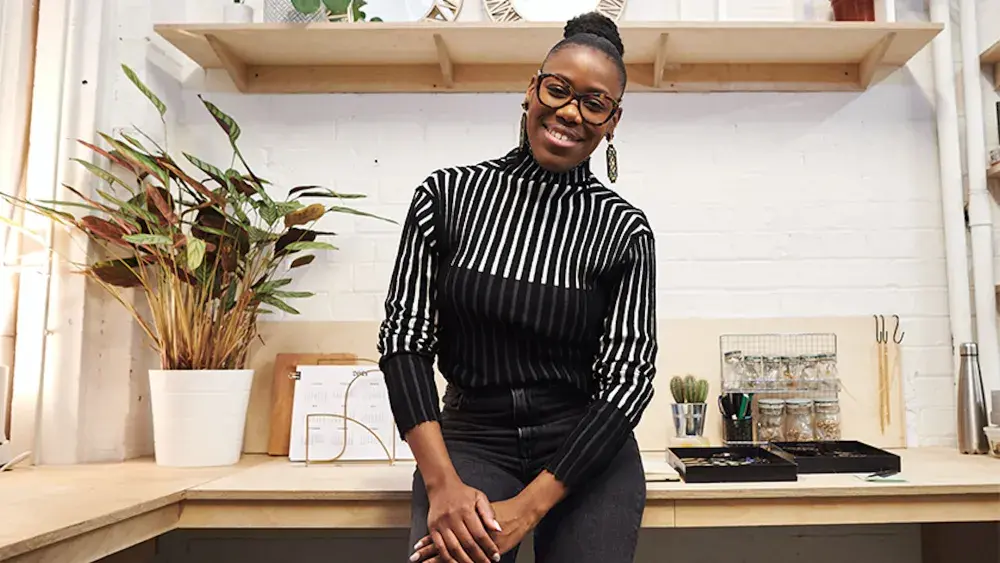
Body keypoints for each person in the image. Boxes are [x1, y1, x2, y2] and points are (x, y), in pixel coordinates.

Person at [377, 11, 657, 563]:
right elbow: (404, 342)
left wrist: (525, 510)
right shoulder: (447, 197)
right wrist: (442, 486)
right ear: (533, 89)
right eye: (558, 90)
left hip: (583, 449)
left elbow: (629, 379)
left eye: (594, 103)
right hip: (470, 440)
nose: (569, 113)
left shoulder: (624, 229)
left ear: (613, 120)